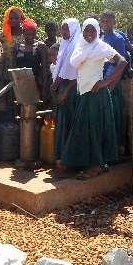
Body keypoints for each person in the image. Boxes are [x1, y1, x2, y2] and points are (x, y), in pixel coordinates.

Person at [61, 18, 127, 178]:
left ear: (98, 31)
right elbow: (76, 64)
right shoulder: (81, 46)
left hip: (96, 95)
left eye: (92, 30)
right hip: (84, 93)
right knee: (84, 129)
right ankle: (90, 162)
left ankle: (96, 165)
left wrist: (106, 81)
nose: (89, 33)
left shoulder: (101, 46)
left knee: (94, 130)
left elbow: (122, 62)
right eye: (86, 30)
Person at [99, 10, 133, 157]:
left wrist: (112, 83)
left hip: (115, 82)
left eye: (107, 21)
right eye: (102, 21)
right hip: (104, 79)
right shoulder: (101, 37)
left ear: (113, 22)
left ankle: (122, 149)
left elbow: (120, 64)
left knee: (120, 115)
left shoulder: (118, 38)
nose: (105, 24)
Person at [50, 18, 80, 167]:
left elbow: (75, 74)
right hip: (62, 88)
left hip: (71, 90)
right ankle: (61, 156)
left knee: (69, 124)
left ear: (73, 29)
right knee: (62, 123)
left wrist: (64, 92)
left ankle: (69, 158)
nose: (63, 32)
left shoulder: (76, 45)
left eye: (66, 29)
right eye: (62, 29)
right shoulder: (65, 44)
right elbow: (61, 69)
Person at [14, 18, 49, 106]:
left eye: (32, 34)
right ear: (23, 33)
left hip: (36, 83)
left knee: (36, 110)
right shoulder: (17, 47)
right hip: (21, 84)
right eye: (27, 34)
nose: (30, 36)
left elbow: (44, 68)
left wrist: (44, 87)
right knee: (22, 111)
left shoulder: (40, 46)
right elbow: (14, 67)